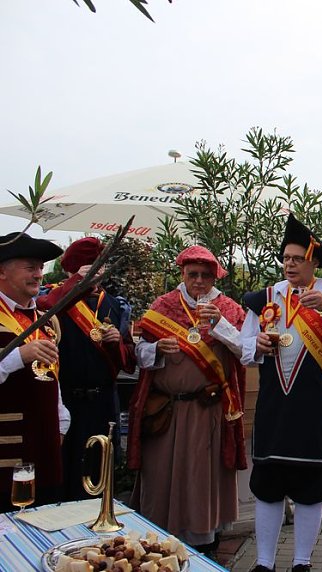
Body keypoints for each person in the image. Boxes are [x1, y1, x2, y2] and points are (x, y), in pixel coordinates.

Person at [241, 213, 322, 572]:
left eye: (296, 259)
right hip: (273, 406)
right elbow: (242, 347)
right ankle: (264, 563)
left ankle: (302, 562)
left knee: (310, 486)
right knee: (268, 482)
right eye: (285, 258)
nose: (288, 264)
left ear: (314, 261)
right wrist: (258, 345)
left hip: (315, 407)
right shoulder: (266, 298)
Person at [127, 245, 247, 552]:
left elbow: (247, 353)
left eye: (206, 276)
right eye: (192, 274)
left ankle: (202, 540)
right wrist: (156, 350)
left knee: (200, 477)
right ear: (182, 273)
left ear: (215, 277)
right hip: (166, 410)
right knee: (161, 476)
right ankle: (158, 536)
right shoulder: (163, 306)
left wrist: (221, 325)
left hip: (207, 410)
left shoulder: (228, 309)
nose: (198, 281)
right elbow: (138, 355)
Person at [37, 237, 136, 501]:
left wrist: (117, 345)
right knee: (63, 471)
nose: (94, 278)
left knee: (99, 470)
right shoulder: (53, 297)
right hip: (66, 400)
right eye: (87, 270)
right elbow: (42, 312)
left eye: (98, 269)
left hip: (103, 402)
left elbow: (130, 361)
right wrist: (75, 285)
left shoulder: (117, 305)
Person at [0, 232, 67, 511]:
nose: (39, 274)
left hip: (45, 444)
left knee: (44, 519)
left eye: (40, 267)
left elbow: (52, 376)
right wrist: (18, 356)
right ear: (2, 270)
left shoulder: (47, 322)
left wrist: (62, 419)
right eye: (30, 267)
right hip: (6, 449)